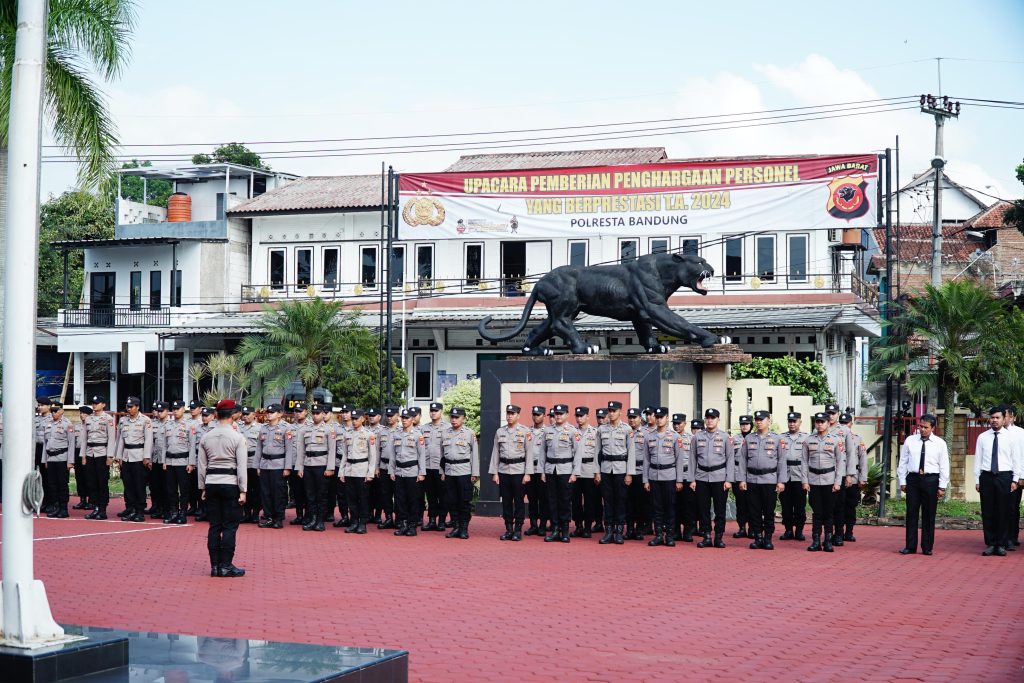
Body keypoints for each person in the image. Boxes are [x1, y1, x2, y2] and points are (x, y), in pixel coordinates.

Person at [198, 399, 248, 578]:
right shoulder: (237, 437)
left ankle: (215, 566)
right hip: (230, 483)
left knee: (214, 526)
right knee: (229, 526)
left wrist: (202, 487)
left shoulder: (206, 436)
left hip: (211, 482)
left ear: (217, 415)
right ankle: (226, 565)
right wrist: (243, 490)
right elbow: (241, 467)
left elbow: (202, 465)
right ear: (233, 414)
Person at [896, 413, 949, 555]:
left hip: (931, 480)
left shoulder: (940, 443)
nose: (922, 429)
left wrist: (942, 486)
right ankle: (910, 546)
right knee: (911, 513)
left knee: (929, 514)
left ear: (933, 428)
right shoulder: (910, 440)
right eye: (920, 426)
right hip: (913, 479)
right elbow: (903, 462)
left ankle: (927, 547)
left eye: (925, 427)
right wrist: (902, 481)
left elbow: (944, 465)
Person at [974, 406, 1023, 556]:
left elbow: (1016, 460)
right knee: (988, 511)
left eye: (997, 418)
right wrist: (977, 479)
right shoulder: (983, 437)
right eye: (992, 418)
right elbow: (978, 459)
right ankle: (990, 543)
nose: (994, 420)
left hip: (1004, 476)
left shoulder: (1010, 437)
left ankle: (1001, 544)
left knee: (1003, 510)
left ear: (1004, 419)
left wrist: (1015, 479)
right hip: (987, 476)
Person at [738, 410, 786, 550]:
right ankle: (758, 537)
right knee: (754, 511)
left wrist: (781, 481)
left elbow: (782, 462)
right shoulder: (749, 439)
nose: (758, 422)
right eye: (757, 419)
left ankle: (768, 538)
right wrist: (742, 479)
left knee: (769, 511)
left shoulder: (777, 439)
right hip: (752, 479)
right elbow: (742, 460)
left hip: (769, 480)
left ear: (769, 421)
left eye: (762, 419)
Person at [801, 412, 846, 553]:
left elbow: (840, 462)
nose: (820, 424)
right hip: (813, 481)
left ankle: (827, 541)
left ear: (828, 423)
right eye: (817, 422)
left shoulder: (836, 440)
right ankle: (815, 541)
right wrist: (804, 480)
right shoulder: (808, 440)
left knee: (829, 513)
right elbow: (803, 462)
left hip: (829, 481)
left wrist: (838, 482)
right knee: (817, 512)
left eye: (822, 422)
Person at [689, 408, 734, 548]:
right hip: (701, 477)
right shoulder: (697, 437)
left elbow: (730, 459)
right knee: (703, 509)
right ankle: (707, 536)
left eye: (712, 418)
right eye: (707, 418)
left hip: (720, 477)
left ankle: (719, 537)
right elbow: (692, 459)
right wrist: (692, 479)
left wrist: (729, 480)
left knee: (720, 510)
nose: (709, 420)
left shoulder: (726, 437)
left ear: (718, 420)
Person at [489, 404, 533, 541]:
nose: (509, 416)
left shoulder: (525, 432)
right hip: (503, 470)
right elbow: (495, 453)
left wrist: (528, 473)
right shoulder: (500, 432)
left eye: (512, 413)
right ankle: (508, 529)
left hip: (519, 471)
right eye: (508, 413)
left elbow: (529, 454)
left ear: (518, 416)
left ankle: (518, 530)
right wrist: (494, 472)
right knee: (506, 501)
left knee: (519, 501)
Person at [643, 407, 686, 547]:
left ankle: (669, 535)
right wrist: (645, 480)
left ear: (667, 418)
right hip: (654, 476)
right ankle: (658, 535)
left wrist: (679, 480)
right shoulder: (649, 436)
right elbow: (646, 460)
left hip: (669, 476)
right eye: (657, 417)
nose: (659, 419)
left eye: (662, 417)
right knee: (657, 507)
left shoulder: (675, 437)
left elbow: (679, 460)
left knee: (669, 507)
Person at [539, 404, 580, 543]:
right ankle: (555, 529)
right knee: (552, 501)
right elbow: (542, 452)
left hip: (566, 470)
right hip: (551, 469)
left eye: (561, 413)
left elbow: (578, 453)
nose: (558, 416)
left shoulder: (572, 431)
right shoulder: (547, 430)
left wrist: (575, 472)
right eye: (556, 413)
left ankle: (565, 530)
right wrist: (542, 471)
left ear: (567, 415)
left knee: (565, 501)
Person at [596, 401, 634, 545]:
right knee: (608, 501)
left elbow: (631, 452)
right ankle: (608, 531)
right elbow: (597, 452)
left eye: (614, 410)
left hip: (621, 469)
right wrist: (596, 471)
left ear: (620, 412)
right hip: (606, 469)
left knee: (620, 500)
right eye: (610, 410)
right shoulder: (601, 429)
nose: (611, 413)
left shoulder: (627, 429)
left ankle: (619, 531)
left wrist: (629, 473)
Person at [296, 403, 336, 532]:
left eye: (317, 413)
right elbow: (301, 450)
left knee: (321, 495)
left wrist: (330, 468)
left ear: (323, 414)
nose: (315, 415)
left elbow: (332, 450)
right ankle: (312, 519)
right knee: (310, 494)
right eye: (313, 413)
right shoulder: (305, 430)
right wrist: (300, 467)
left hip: (321, 465)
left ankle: (320, 521)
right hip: (308, 465)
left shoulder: (329, 430)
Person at [254, 404, 294, 529]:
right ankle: (269, 517)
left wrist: (287, 467)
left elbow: (289, 450)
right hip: (265, 464)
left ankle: (278, 518)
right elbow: (259, 448)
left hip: (278, 465)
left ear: (280, 414)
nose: (269, 414)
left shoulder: (286, 428)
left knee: (278, 493)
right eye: (268, 412)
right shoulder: (263, 428)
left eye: (272, 412)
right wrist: (257, 465)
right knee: (265, 493)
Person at [441, 407, 478, 539]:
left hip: (464, 471)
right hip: (449, 471)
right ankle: (455, 526)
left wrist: (475, 473)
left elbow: (474, 454)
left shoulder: (469, 433)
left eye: (457, 417)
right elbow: (442, 455)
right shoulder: (445, 433)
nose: (454, 419)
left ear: (463, 418)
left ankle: (464, 528)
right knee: (451, 501)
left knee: (464, 501)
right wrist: (442, 471)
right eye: (452, 417)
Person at [115, 396, 153, 523]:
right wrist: (118, 456)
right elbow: (120, 439)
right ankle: (131, 509)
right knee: (128, 485)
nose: (129, 409)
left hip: (139, 456)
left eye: (131, 407)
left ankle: (140, 511)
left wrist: (146, 457)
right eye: (127, 406)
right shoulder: (123, 421)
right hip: (126, 456)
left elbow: (148, 440)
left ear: (137, 407)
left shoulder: (145, 420)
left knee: (139, 485)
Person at [389, 408, 426, 537]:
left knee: (413, 499)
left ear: (412, 420)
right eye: (403, 418)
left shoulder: (417, 435)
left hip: (412, 472)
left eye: (407, 418)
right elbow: (393, 455)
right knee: (400, 500)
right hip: (399, 471)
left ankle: (412, 525)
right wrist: (391, 470)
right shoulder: (396, 434)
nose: (404, 420)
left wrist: (421, 473)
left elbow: (422, 455)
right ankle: (403, 524)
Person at [341, 409, 378, 534]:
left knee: (363, 498)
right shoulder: (347, 434)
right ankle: (354, 522)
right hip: (349, 470)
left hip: (362, 470)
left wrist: (370, 473)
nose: (354, 421)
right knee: (351, 498)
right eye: (353, 419)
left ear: (363, 419)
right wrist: (342, 471)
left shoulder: (368, 434)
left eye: (356, 419)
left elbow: (373, 456)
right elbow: (344, 455)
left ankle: (362, 523)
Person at [826, 402, 857, 547]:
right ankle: (828, 533)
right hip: (825, 474)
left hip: (841, 473)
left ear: (838, 414)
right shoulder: (819, 428)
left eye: (833, 413)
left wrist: (850, 474)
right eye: (829, 413)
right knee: (827, 506)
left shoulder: (844, 430)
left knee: (839, 505)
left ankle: (839, 533)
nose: (831, 416)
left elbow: (851, 454)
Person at [81, 395, 116, 520]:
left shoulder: (108, 419)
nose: (94, 405)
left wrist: (110, 455)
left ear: (103, 404)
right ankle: (95, 507)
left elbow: (112, 438)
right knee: (91, 482)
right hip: (90, 453)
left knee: (102, 482)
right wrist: (83, 455)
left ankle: (102, 509)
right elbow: (84, 438)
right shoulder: (88, 419)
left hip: (102, 453)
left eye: (97, 403)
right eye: (93, 403)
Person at [162, 400, 196, 525]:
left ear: (183, 409)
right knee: (171, 490)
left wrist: (191, 463)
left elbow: (192, 446)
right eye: (174, 408)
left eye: (178, 408)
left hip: (183, 461)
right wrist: (164, 461)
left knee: (184, 490)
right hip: (170, 461)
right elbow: (165, 445)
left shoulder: (189, 426)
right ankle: (174, 512)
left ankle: (183, 513)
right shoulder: (168, 425)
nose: (175, 411)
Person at [778, 412, 808, 541]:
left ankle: (799, 531)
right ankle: (788, 530)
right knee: (786, 505)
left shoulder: (807, 438)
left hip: (800, 476)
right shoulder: (781, 438)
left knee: (800, 506)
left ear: (800, 422)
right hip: (785, 476)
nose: (792, 423)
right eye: (790, 421)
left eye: (794, 421)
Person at [42, 401, 76, 518]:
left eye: (56, 411)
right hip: (50, 458)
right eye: (52, 411)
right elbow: (45, 444)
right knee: (52, 484)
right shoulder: (48, 424)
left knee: (62, 484)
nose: (53, 413)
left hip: (62, 458)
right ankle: (56, 506)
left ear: (62, 411)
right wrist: (45, 460)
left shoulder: (68, 424)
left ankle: (63, 508)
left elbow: (71, 444)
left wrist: (70, 461)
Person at [571, 406, 600, 538]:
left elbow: (598, 454)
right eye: (577, 416)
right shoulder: (572, 431)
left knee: (589, 500)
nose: (579, 418)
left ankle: (588, 527)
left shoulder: (595, 432)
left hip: (589, 469)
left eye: (581, 415)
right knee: (575, 500)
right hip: (575, 471)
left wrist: (596, 471)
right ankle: (578, 526)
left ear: (588, 416)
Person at [838, 412, 867, 542]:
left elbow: (863, 460)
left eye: (846, 423)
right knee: (838, 505)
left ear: (851, 424)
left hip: (853, 477)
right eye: (842, 423)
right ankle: (838, 532)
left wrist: (863, 477)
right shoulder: (835, 437)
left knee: (850, 505)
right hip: (838, 477)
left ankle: (849, 532)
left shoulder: (858, 439)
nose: (844, 426)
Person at [420, 403, 448, 531]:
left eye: (436, 411)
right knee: (430, 495)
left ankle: (441, 520)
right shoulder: (423, 428)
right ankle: (432, 520)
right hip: (427, 466)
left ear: (441, 412)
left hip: (441, 468)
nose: (433, 413)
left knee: (442, 495)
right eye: (431, 411)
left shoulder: (447, 428)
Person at [625, 407, 651, 540]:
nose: (632, 420)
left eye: (634, 417)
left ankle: (639, 529)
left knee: (641, 503)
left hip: (641, 471)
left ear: (640, 418)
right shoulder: (624, 431)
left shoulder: (647, 433)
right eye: (629, 417)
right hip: (627, 472)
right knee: (628, 502)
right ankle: (629, 529)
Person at [524, 405, 550, 537]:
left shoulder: (548, 431)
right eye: (534, 414)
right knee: (532, 499)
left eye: (538, 414)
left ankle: (543, 525)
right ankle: (533, 525)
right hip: (530, 469)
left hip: (542, 470)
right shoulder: (527, 431)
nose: (536, 417)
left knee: (543, 499)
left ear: (544, 416)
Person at [1002, 405, 1024, 548]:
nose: (1005, 419)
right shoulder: (995, 433)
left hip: (1017, 474)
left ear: (1013, 417)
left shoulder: (1020, 433)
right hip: (1001, 474)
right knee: (1001, 507)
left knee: (1013, 507)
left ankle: (1012, 536)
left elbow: (1022, 456)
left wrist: (1021, 476)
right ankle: (1002, 536)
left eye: (1007, 416)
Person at [373, 406, 399, 529]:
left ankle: (399, 518)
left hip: (397, 468)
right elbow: (378, 451)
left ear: (397, 416)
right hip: (383, 466)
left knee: (398, 494)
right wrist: (377, 467)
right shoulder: (381, 432)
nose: (389, 418)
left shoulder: (401, 430)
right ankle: (388, 517)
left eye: (391, 415)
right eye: (387, 416)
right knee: (385, 494)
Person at [671, 413, 695, 542]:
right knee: (674, 505)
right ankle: (675, 531)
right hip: (672, 475)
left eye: (679, 423)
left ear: (685, 424)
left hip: (686, 475)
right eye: (674, 423)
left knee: (688, 505)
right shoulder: (669, 437)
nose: (676, 425)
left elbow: (694, 459)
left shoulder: (691, 438)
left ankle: (688, 531)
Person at [237, 407, 262, 524]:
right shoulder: (238, 427)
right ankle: (246, 513)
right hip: (241, 462)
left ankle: (255, 513)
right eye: (244, 414)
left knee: (255, 489)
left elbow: (261, 447)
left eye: (248, 414)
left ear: (254, 415)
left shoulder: (260, 428)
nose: (245, 416)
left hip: (253, 461)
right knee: (243, 488)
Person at [730, 415, 753, 539]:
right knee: (741, 503)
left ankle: (753, 528)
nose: (744, 426)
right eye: (742, 424)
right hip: (737, 473)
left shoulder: (755, 438)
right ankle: (742, 528)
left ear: (751, 425)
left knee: (752, 503)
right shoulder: (734, 439)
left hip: (751, 474)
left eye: (747, 424)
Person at [36, 397, 53, 513]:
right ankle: (43, 501)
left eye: (43, 405)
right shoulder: (36, 419)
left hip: (46, 449)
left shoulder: (52, 419)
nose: (40, 407)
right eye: (39, 405)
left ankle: (50, 502)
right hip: (36, 449)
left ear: (49, 406)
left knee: (48, 477)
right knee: (39, 477)